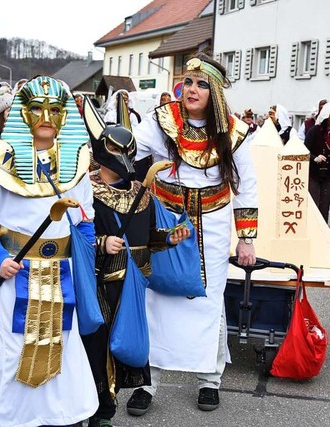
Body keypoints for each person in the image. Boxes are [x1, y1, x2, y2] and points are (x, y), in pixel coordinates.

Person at [126, 53, 258, 415]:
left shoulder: (233, 132)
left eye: (202, 84)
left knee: (209, 301)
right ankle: (145, 384)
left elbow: (246, 187)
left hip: (213, 227)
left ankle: (209, 381)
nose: (192, 89)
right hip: (166, 222)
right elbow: (127, 150)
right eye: (188, 81)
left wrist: (246, 238)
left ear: (214, 92)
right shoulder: (161, 121)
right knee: (156, 297)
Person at [0, 76, 98, 427]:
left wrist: (86, 257)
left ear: (64, 116)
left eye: (54, 109)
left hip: (62, 271)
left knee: (64, 346)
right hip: (14, 271)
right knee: (15, 348)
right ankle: (7, 419)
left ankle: (61, 415)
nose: (45, 116)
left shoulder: (77, 164)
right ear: (22, 114)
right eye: (36, 109)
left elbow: (85, 217)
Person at [81, 94, 190, 427]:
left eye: (128, 151)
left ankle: (107, 405)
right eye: (116, 151)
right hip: (101, 285)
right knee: (96, 349)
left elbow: (146, 241)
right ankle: (97, 410)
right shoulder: (86, 193)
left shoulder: (143, 196)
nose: (124, 158)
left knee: (122, 348)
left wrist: (167, 238)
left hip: (133, 284)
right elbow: (75, 239)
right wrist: (101, 242)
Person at [304, 100, 330, 223]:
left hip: (329, 175)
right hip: (314, 174)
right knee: (313, 205)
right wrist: (314, 158)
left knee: (324, 207)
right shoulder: (315, 131)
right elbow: (305, 151)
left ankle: (323, 235)